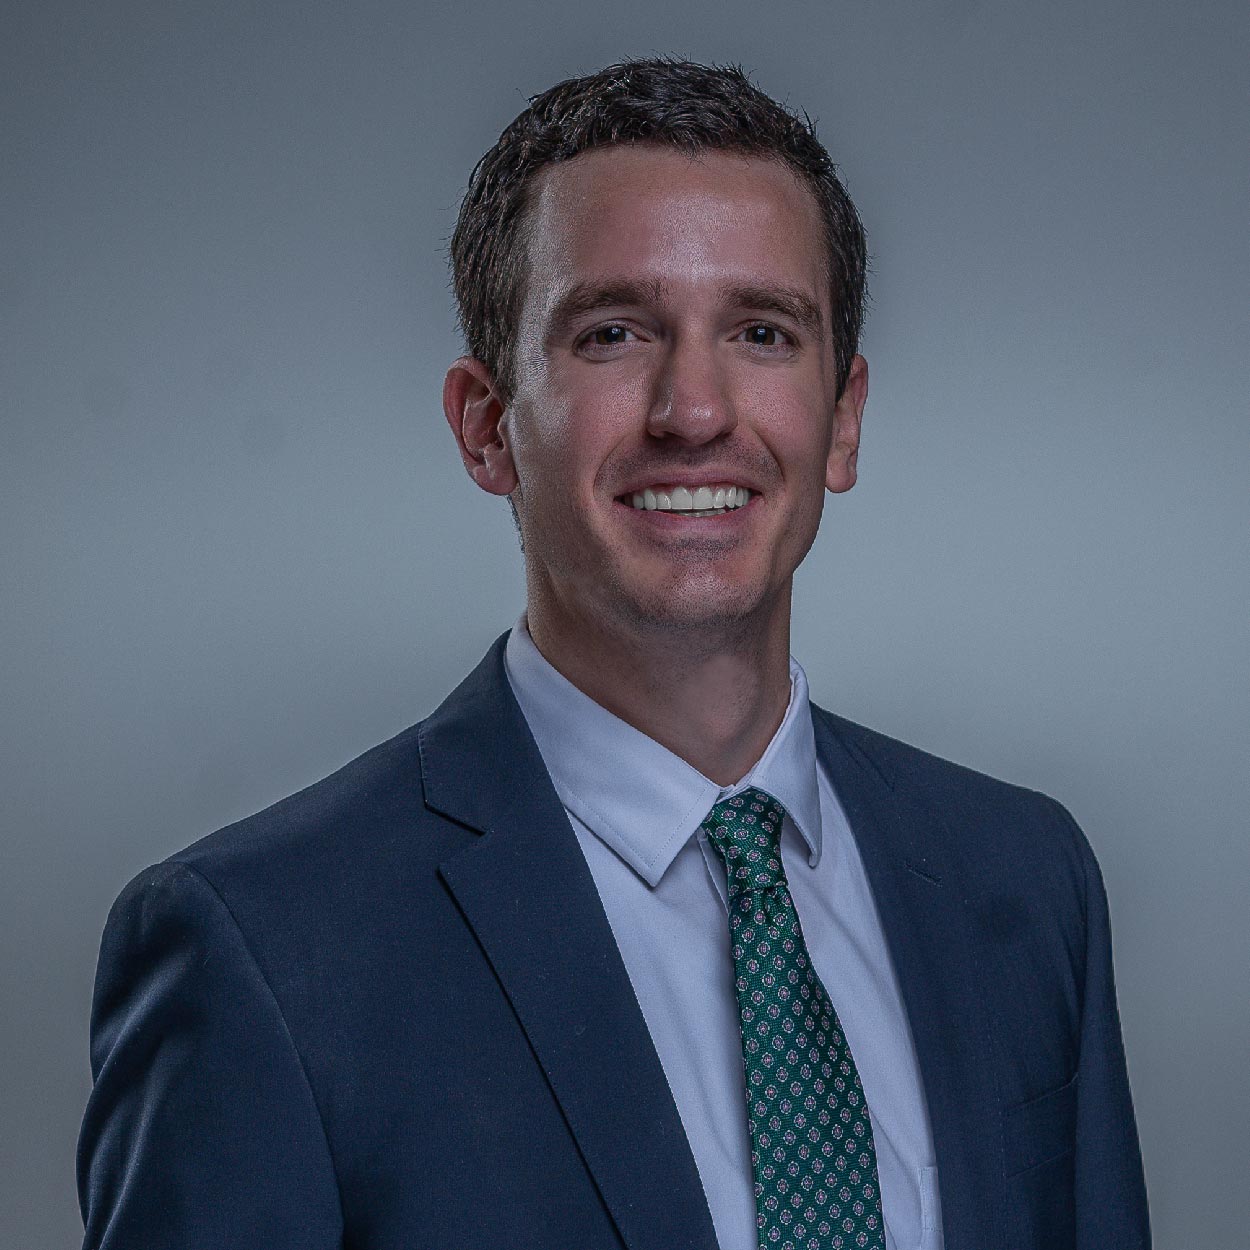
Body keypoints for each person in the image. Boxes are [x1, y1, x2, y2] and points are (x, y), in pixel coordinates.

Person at [77, 58, 1150, 1250]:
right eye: (612, 331)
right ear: (487, 428)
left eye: (758, 330)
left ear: (840, 417)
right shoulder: (264, 949)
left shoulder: (1023, 878)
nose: (693, 409)